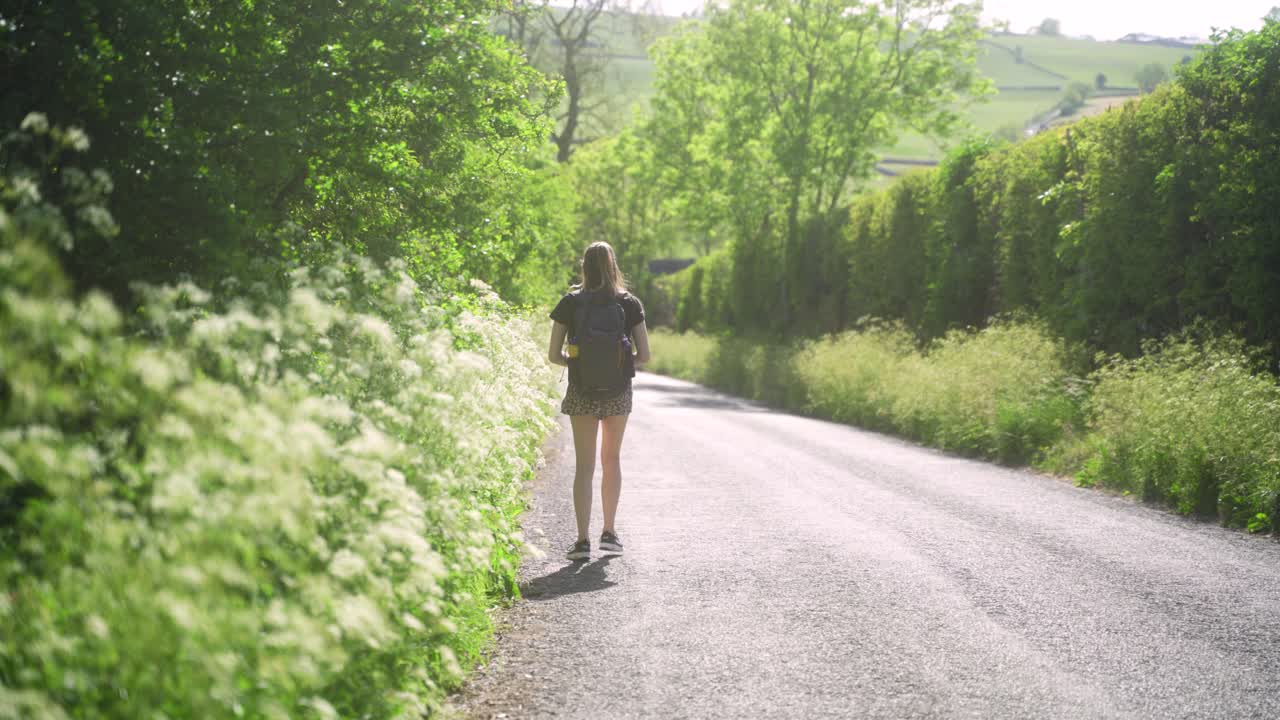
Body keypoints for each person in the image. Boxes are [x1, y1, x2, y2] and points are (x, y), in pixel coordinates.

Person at [548, 242, 651, 561]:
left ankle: (581, 541)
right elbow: (644, 356)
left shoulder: (570, 302)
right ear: (613, 265)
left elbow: (554, 355)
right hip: (618, 392)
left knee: (585, 466)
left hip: (581, 392)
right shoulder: (629, 302)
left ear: (584, 266)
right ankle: (609, 533)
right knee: (612, 461)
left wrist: (578, 363)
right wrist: (618, 362)